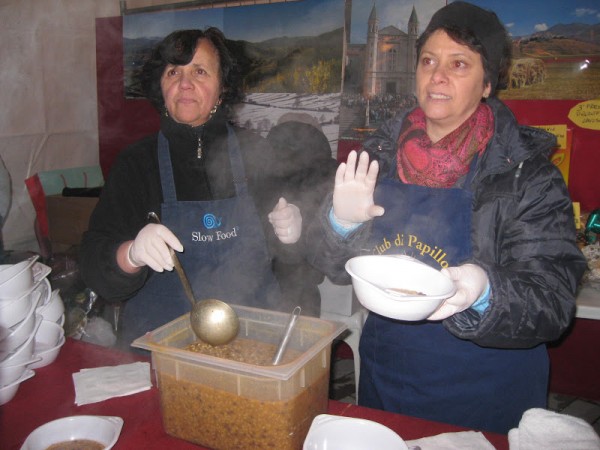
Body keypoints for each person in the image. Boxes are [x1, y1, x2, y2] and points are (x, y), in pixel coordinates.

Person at [306, 2, 587, 434]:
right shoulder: (377, 156)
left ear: (487, 82)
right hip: (389, 382)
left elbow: (552, 304)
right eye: (428, 61)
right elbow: (333, 267)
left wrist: (485, 290)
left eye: (459, 64)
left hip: (487, 392)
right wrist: (341, 224)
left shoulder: (526, 174)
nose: (437, 76)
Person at [80, 28, 305, 347]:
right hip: (159, 348)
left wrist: (295, 236)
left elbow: (295, 266)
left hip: (253, 341)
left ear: (222, 87)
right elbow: (94, 266)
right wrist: (130, 254)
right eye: (173, 71)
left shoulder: (258, 153)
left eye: (200, 71)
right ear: (161, 85)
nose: (185, 83)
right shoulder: (136, 163)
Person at [266, 113, 338, 316]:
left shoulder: (259, 163)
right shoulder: (330, 169)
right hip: (302, 283)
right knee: (300, 343)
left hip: (260, 280)